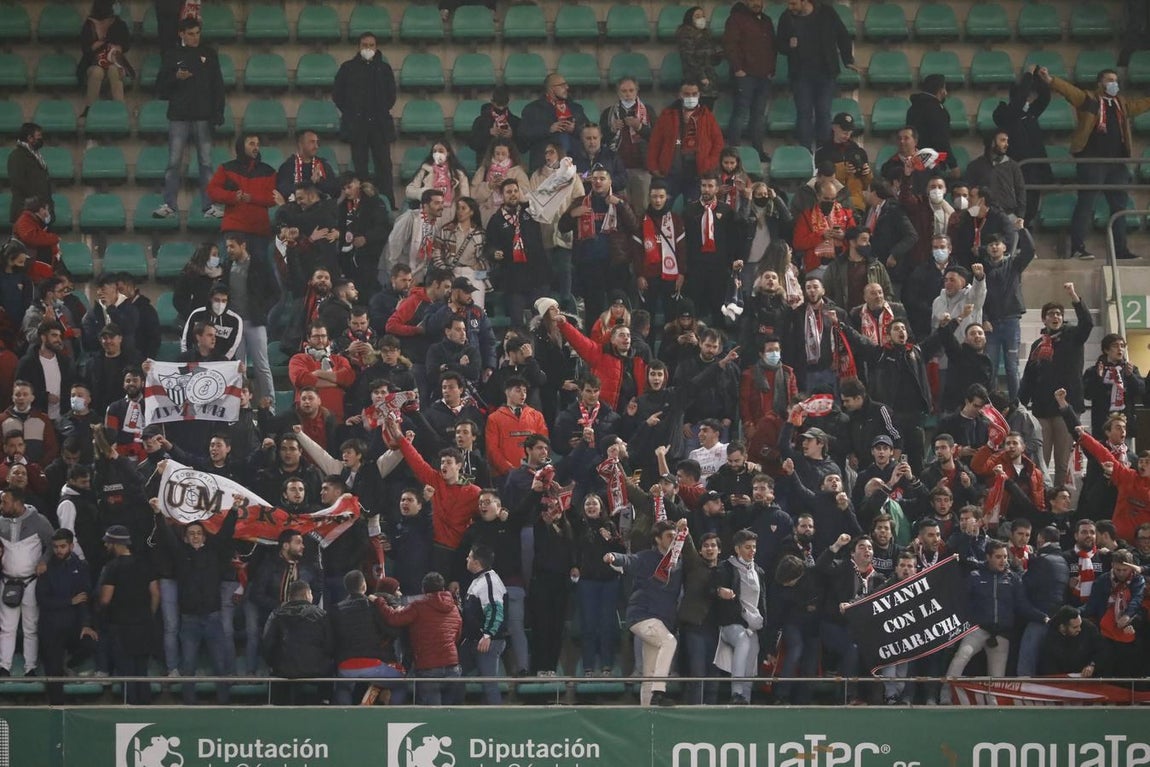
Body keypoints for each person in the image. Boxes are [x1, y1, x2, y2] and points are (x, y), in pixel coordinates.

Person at [1037, 65, 1150, 260]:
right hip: (1092, 161)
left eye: (1116, 80)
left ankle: (1121, 250)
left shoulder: (1121, 104)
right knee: (1086, 205)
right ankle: (1078, 248)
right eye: (1109, 80)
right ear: (1100, 83)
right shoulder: (1090, 100)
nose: (1114, 84)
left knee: (1120, 208)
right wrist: (1051, 80)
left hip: (1117, 163)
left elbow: (1139, 105)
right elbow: (1070, 91)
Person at [150, 495, 237, 704]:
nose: (195, 536)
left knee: (220, 665)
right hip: (189, 620)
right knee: (188, 666)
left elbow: (225, 533)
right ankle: (189, 704)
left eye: (199, 533)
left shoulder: (214, 553)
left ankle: (224, 704)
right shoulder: (180, 554)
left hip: (213, 618)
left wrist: (234, 510)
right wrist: (158, 513)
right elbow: (167, 536)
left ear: (204, 537)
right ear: (186, 538)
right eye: (191, 533)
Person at [943, 540, 1047, 691]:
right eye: (998, 557)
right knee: (960, 657)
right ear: (988, 557)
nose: (1003, 560)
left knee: (997, 680)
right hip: (978, 630)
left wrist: (1043, 617)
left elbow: (1023, 606)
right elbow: (961, 602)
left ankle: (993, 703)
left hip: (1001, 634)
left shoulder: (1013, 579)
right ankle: (945, 696)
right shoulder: (975, 575)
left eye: (1005, 557)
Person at [606, 519, 686, 706]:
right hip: (642, 616)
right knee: (669, 642)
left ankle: (646, 711)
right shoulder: (647, 557)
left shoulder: (678, 561)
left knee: (649, 672)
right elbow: (629, 560)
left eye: (675, 537)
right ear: (658, 539)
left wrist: (684, 532)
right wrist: (613, 557)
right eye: (669, 536)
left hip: (662, 620)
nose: (673, 540)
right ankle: (659, 691)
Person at [1019, 282, 1091, 486]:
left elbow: (1087, 323)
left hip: (1066, 408)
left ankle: (1059, 497)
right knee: (1040, 461)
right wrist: (1020, 403)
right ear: (1044, 319)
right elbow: (1029, 377)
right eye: (1051, 314)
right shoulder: (1038, 345)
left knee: (1061, 462)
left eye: (1059, 313)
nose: (1055, 316)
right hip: (1042, 409)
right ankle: (1041, 497)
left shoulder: (1073, 337)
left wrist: (1073, 295)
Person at [152, 17, 225, 220]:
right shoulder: (172, 55)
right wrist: (175, 78)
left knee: (206, 163)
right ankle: (169, 204)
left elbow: (217, 85)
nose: (195, 37)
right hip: (179, 116)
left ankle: (208, 206)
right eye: (191, 34)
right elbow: (160, 87)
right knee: (174, 162)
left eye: (197, 33)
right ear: (182, 34)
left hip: (203, 115)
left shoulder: (209, 54)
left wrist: (218, 112)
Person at [558, 166, 638, 325]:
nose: (598, 182)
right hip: (589, 265)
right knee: (593, 310)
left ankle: (619, 337)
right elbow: (562, 227)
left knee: (617, 309)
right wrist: (573, 214)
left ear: (610, 181)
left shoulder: (620, 200)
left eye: (602, 178)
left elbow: (634, 226)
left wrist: (621, 205)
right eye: (594, 178)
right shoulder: (581, 201)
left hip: (615, 263)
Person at [776, 0, 855, 150]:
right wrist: (788, 46)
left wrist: (848, 60)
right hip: (800, 75)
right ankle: (805, 152)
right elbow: (779, 44)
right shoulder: (786, 17)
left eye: (793, 3)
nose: (790, 7)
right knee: (804, 114)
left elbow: (842, 34)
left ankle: (823, 152)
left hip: (825, 74)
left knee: (823, 113)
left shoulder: (826, 12)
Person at [375, 571, 461, 705]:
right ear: (443, 588)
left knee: (430, 714)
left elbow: (394, 619)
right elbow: (457, 636)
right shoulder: (454, 609)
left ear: (423, 590)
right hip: (452, 667)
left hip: (428, 667)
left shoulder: (418, 606)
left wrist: (379, 601)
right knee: (450, 714)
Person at [332, 32, 397, 206]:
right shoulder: (348, 68)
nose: (368, 48)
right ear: (359, 46)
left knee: (384, 165)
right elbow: (337, 94)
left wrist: (380, 110)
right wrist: (351, 112)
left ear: (376, 47)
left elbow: (391, 95)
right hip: (357, 126)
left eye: (371, 45)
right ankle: (360, 202)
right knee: (360, 166)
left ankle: (388, 203)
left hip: (379, 125)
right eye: (364, 45)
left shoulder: (384, 69)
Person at [97, 523, 158, 704]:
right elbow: (156, 593)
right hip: (144, 625)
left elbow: (105, 599)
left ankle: (130, 708)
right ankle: (145, 706)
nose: (106, 546)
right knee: (142, 670)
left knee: (126, 670)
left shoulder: (112, 567)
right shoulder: (144, 564)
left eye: (108, 542)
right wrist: (149, 614)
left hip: (121, 626)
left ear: (115, 544)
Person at [36, 528, 96, 704]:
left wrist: (86, 624)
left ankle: (68, 665)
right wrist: (69, 601)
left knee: (91, 642)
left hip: (73, 625)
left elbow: (84, 598)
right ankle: (57, 708)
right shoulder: (45, 567)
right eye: (55, 547)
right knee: (53, 673)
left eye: (62, 546)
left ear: (71, 546)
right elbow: (42, 600)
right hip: (51, 627)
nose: (59, 550)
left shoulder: (81, 566)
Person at [329, 570, 405, 705]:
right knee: (401, 683)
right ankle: (393, 713)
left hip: (345, 667)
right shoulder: (373, 606)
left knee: (343, 687)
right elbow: (393, 632)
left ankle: (344, 714)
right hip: (372, 666)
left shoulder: (336, 609)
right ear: (364, 586)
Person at [0, 486, 52, 677]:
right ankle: (4, 666)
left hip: (31, 582)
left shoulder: (39, 521)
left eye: (4, 502)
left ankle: (30, 667)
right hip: (7, 582)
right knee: (6, 627)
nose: (1, 505)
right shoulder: (0, 521)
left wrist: (44, 561)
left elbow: (52, 544)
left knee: (31, 627)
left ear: (17, 503)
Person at [647, 81, 724, 205]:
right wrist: (653, 167)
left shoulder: (707, 116)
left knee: (694, 211)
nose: (691, 97)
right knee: (662, 208)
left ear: (699, 94)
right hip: (670, 174)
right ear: (680, 95)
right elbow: (655, 142)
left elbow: (718, 144)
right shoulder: (667, 115)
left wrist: (708, 164)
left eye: (694, 94)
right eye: (687, 94)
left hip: (696, 175)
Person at [484, 180, 550, 326]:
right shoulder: (496, 220)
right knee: (517, 322)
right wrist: (494, 253)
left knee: (541, 322)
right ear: (502, 195)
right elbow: (488, 245)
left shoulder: (530, 211)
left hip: (536, 275)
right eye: (509, 192)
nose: (513, 194)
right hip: (513, 278)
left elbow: (546, 203)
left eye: (515, 191)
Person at [713, 529, 766, 704]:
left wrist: (761, 623)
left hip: (753, 624)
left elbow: (762, 602)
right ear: (737, 549)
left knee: (752, 654)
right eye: (747, 547)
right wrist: (720, 591)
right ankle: (736, 694)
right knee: (743, 640)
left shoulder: (758, 571)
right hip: (731, 622)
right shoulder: (726, 567)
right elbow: (712, 589)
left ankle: (746, 700)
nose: (752, 551)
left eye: (754, 547)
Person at [260, 579, 332, 705]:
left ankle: (276, 707)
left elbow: (267, 644)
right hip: (316, 669)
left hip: (283, 670)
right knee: (330, 671)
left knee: (276, 679)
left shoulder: (276, 614)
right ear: (307, 594)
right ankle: (324, 702)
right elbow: (330, 645)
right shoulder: (321, 615)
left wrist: (274, 663)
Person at [994, 71, 1052, 226]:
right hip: (1015, 172)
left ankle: (1024, 236)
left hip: (1034, 171)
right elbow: (1017, 103)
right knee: (1016, 212)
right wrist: (1027, 76)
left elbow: (1045, 98)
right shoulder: (1004, 113)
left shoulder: (1030, 114)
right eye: (1026, 96)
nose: (1028, 100)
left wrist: (1040, 79)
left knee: (1030, 211)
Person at [206, 134, 277, 260]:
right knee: (231, 267)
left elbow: (273, 198)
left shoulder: (269, 171)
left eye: (257, 144)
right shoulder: (226, 168)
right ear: (241, 146)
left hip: (259, 231)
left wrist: (252, 198)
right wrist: (232, 196)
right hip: (234, 228)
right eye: (251, 144)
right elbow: (212, 190)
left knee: (257, 269)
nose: (256, 147)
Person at [723, 0, 777, 160]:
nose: (756, 3)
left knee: (759, 115)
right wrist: (737, 69)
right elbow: (730, 45)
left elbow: (772, 47)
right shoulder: (736, 18)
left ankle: (758, 151)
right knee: (740, 113)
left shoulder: (766, 20)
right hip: (744, 75)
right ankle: (733, 152)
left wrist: (771, 69)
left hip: (764, 75)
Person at [1081, 548, 1145, 676]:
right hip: (1106, 631)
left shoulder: (1137, 580)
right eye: (1117, 570)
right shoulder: (1103, 580)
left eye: (1125, 570)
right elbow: (1092, 604)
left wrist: (1127, 616)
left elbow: (1137, 600)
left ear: (1131, 568)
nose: (1121, 573)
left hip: (1130, 631)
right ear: (1112, 566)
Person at [458, 544, 507, 704]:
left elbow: (495, 610)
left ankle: (496, 715)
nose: (467, 558)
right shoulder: (478, 580)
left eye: (469, 556)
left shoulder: (489, 582)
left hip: (487, 641)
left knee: (489, 684)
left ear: (477, 562)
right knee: (456, 673)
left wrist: (487, 635)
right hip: (473, 639)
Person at [600, 77, 653, 207]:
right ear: (618, 92)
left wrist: (640, 127)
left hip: (641, 168)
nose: (628, 94)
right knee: (620, 208)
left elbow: (657, 137)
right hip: (617, 170)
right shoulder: (609, 113)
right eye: (624, 91)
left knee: (641, 207)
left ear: (637, 91)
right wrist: (612, 129)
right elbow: (601, 140)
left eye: (631, 90)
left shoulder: (648, 110)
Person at [520, 74, 590, 171]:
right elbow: (524, 134)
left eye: (566, 84)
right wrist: (549, 129)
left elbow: (588, 130)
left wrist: (574, 128)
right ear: (551, 89)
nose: (567, 87)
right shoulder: (533, 109)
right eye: (562, 85)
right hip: (544, 166)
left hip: (575, 165)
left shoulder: (575, 108)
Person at [1082, 334, 1145, 439]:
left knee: (1125, 448)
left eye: (1122, 346)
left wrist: (1130, 376)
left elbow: (1140, 390)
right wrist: (1098, 378)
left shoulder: (1130, 369)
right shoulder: (1094, 370)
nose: (1120, 349)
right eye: (1115, 346)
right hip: (1103, 420)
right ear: (1106, 350)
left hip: (1125, 419)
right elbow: (1087, 394)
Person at [288, 322, 355, 420]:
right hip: (306, 418)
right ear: (308, 338)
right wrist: (336, 383)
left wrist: (319, 373)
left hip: (336, 417)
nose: (320, 340)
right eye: (316, 336)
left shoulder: (339, 359)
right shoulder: (298, 358)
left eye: (323, 336)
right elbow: (301, 379)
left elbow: (348, 377)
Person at [966, 131, 1028, 232]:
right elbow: (970, 191)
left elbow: (1020, 191)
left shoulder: (1013, 166)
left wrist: (1020, 215)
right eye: (1003, 140)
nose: (1006, 144)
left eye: (1007, 141)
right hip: (984, 216)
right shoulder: (974, 166)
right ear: (992, 142)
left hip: (1009, 215)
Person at [793, 178, 855, 279]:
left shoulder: (846, 215)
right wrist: (821, 236)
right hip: (816, 266)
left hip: (842, 265)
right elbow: (798, 243)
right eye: (826, 198)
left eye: (833, 199)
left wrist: (844, 236)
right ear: (818, 196)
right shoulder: (806, 216)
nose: (829, 202)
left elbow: (855, 238)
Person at [385, 189, 445, 287]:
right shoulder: (410, 218)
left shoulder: (435, 226)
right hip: (399, 278)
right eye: (437, 203)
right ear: (425, 205)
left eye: (442, 203)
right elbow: (393, 247)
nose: (441, 207)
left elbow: (425, 259)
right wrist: (397, 277)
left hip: (417, 279)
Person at [816, 112, 873, 213]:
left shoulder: (858, 151)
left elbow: (867, 184)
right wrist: (842, 169)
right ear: (834, 127)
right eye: (843, 129)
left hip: (856, 203)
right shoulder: (822, 152)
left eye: (849, 130)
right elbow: (820, 181)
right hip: (832, 201)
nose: (847, 133)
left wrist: (867, 173)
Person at [405, 141, 470, 227]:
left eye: (441, 151)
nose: (437, 154)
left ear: (448, 153)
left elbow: (465, 199)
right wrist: (423, 193)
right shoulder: (425, 170)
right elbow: (409, 191)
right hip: (429, 215)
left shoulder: (459, 174)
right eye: (434, 151)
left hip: (450, 216)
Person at [905, 75, 957, 177]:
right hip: (933, 164)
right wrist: (953, 165)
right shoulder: (938, 110)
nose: (946, 93)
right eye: (944, 89)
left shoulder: (912, 108)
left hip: (915, 161)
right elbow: (942, 140)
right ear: (940, 90)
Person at [471, 140, 530, 227]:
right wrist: (489, 186)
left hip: (511, 216)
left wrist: (508, 184)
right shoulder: (484, 170)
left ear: (509, 154)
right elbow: (473, 195)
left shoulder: (518, 171)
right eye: (497, 154)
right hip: (488, 215)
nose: (500, 157)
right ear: (492, 154)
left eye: (503, 154)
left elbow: (526, 195)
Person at [180, 283, 243, 361]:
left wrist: (222, 362)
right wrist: (187, 360)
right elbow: (186, 340)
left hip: (223, 362)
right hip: (196, 361)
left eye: (224, 301)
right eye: (217, 300)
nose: (220, 304)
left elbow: (233, 347)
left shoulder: (235, 320)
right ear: (210, 299)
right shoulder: (197, 314)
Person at [676, 7, 723, 106]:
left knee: (708, 109)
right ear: (690, 18)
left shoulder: (706, 34)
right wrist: (701, 76)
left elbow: (711, 58)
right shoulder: (686, 34)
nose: (701, 19)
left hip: (709, 77)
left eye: (703, 16)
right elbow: (688, 58)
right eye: (697, 16)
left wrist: (719, 54)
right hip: (695, 79)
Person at [275, 130, 338, 202]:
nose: (316, 146)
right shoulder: (288, 166)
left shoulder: (323, 164)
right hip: (296, 207)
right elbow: (283, 191)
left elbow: (335, 189)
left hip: (321, 206)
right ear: (301, 144)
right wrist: (310, 183)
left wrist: (319, 182)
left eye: (317, 142)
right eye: (312, 142)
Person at [7, 124, 52, 224]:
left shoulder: (36, 155)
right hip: (25, 213)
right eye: (39, 136)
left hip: (39, 212)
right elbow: (19, 184)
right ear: (30, 138)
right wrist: (38, 206)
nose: (41, 139)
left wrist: (46, 206)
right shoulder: (17, 156)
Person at [571, 124, 628, 195]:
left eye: (595, 138)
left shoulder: (611, 156)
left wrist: (604, 181)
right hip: (582, 197)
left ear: (600, 137)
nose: (592, 142)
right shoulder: (573, 158)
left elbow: (623, 180)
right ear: (582, 139)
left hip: (608, 198)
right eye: (588, 138)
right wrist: (576, 180)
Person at [173, 243, 223, 323]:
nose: (217, 258)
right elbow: (178, 301)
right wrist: (193, 317)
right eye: (214, 255)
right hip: (193, 319)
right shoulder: (189, 274)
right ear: (204, 256)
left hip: (215, 320)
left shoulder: (221, 274)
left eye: (218, 255)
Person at [468, 86, 520, 157]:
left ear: (508, 102)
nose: (501, 108)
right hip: (487, 160)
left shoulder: (515, 121)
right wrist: (488, 133)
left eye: (504, 104)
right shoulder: (480, 121)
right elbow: (473, 144)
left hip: (510, 160)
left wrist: (513, 135)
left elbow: (523, 147)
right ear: (492, 102)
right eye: (498, 104)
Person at [13, 196, 60, 272]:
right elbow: (32, 237)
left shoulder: (34, 220)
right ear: (41, 210)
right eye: (47, 209)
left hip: (34, 257)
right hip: (29, 260)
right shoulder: (24, 221)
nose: (48, 213)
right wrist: (55, 238)